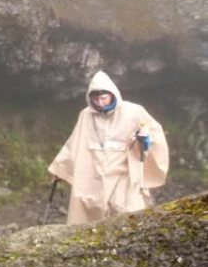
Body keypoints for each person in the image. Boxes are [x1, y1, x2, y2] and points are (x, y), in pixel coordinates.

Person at [47, 70, 169, 225]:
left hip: (123, 174)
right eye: (95, 98)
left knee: (127, 211)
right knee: (90, 214)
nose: (99, 102)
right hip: (94, 174)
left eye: (103, 97)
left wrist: (145, 139)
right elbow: (74, 143)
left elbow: (153, 133)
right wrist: (60, 168)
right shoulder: (86, 115)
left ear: (112, 94)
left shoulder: (133, 111)